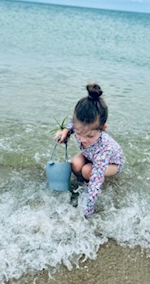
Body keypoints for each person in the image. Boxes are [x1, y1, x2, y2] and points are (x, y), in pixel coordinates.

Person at [54, 83, 123, 217]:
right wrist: (65, 131)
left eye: (90, 136)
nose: (83, 139)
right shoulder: (81, 125)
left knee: (87, 171)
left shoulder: (105, 149)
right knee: (75, 164)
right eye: (78, 133)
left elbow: (95, 182)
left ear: (103, 128)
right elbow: (72, 125)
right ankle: (80, 184)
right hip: (90, 154)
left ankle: (87, 185)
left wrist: (87, 212)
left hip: (111, 163)